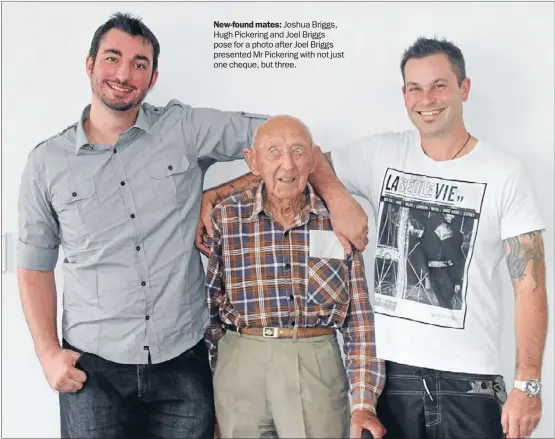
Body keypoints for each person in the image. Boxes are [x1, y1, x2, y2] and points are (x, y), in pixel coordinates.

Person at [197, 37, 548, 439]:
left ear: (464, 88)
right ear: (404, 95)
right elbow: (296, 169)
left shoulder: (504, 173)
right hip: (394, 379)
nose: (426, 98)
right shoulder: (383, 153)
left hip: (470, 382)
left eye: (439, 85)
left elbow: (530, 287)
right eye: (415, 88)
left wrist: (529, 384)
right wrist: (216, 194)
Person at [16, 12, 271, 438]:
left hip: (183, 362)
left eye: (139, 64)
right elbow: (34, 265)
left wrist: (216, 193)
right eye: (113, 58)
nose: (124, 73)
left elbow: (281, 139)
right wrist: (47, 353)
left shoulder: (184, 128)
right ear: (90, 64)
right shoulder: (46, 163)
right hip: (92, 370)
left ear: (153, 77)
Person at [204, 115, 385, 439]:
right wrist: (217, 388)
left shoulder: (338, 220)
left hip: (314, 361)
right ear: (253, 161)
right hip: (240, 363)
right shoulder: (227, 217)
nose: (287, 165)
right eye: (273, 152)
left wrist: (363, 401)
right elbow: (212, 307)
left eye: (298, 152)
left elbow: (359, 318)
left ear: (313, 160)